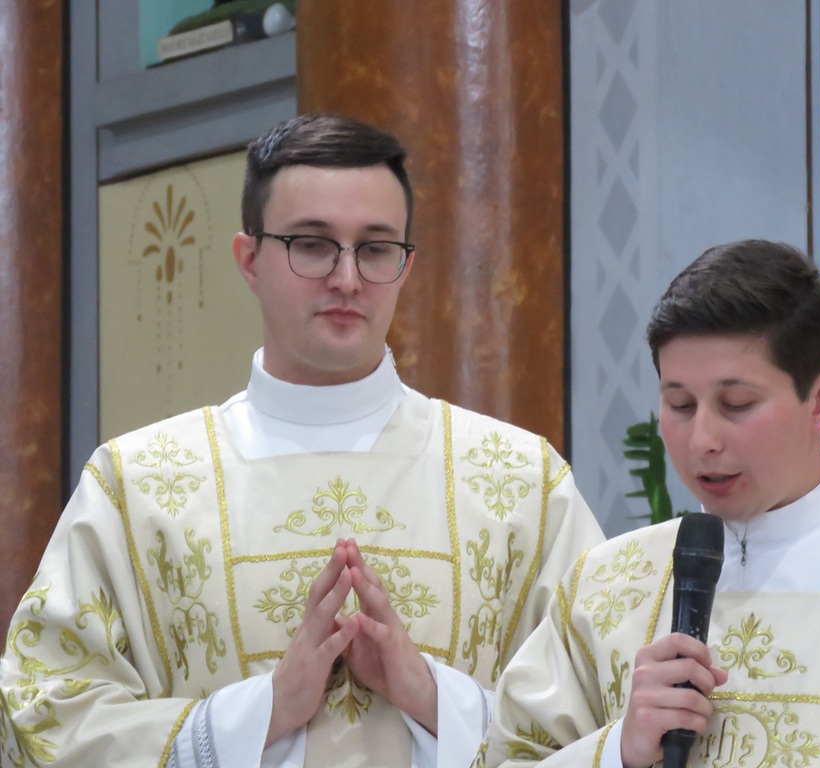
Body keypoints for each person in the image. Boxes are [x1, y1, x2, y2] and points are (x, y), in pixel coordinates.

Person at [0, 113, 605, 768]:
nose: (346, 278)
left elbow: (608, 713)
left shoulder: (519, 482)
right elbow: (38, 716)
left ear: (405, 265)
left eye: (375, 249)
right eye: (312, 245)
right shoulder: (135, 486)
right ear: (248, 258)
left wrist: (433, 699)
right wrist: (255, 715)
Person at [478, 239, 820, 768]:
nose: (702, 440)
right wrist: (616, 751)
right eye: (680, 404)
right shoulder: (603, 592)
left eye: (736, 404)